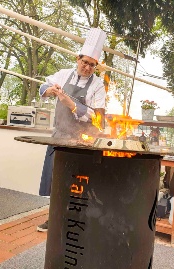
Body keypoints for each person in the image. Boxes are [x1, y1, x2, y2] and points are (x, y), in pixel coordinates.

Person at [37, 28, 107, 232]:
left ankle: (76, 220)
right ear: (78, 59)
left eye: (92, 65)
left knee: (78, 184)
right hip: (59, 136)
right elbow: (43, 86)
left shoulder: (98, 86)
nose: (87, 67)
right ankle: (55, 218)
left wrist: (72, 104)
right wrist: (48, 90)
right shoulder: (63, 74)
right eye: (84, 62)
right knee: (55, 180)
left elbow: (99, 118)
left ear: (96, 67)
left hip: (81, 141)